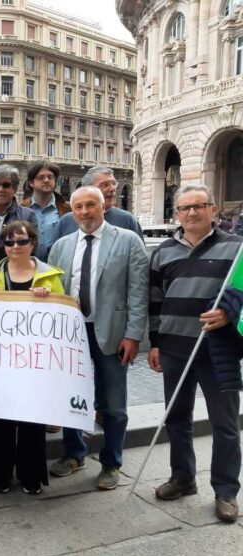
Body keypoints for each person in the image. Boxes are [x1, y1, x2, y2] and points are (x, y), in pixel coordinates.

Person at [148, 184, 242, 522]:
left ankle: (226, 490)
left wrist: (229, 312)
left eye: (199, 206)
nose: (192, 213)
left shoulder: (237, 249)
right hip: (173, 349)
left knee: (226, 424)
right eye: (185, 208)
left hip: (218, 351)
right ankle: (183, 478)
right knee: (177, 418)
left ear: (213, 209)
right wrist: (155, 342)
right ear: (176, 214)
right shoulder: (162, 252)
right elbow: (155, 301)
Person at [47, 186, 148, 490]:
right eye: (78, 207)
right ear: (72, 211)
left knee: (113, 402)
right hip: (71, 335)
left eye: (91, 205)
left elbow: (138, 292)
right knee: (70, 397)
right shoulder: (61, 246)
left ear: (103, 207)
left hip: (113, 333)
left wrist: (133, 335)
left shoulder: (128, 241)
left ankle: (111, 463)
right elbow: (53, 289)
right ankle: (74, 452)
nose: (84, 212)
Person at [0, 221, 64, 494]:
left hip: (34, 360)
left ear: (33, 243)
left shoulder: (50, 276)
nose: (15, 247)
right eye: (9, 242)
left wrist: (47, 299)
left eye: (21, 241)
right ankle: (0, 473)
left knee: (31, 419)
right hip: (1, 360)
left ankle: (31, 474)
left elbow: (63, 316)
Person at [52, 167, 142, 242]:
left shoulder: (128, 220)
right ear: (87, 188)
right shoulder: (66, 222)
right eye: (105, 185)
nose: (112, 189)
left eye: (114, 184)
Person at [22, 161, 70, 260]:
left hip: (58, 267)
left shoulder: (68, 208)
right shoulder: (22, 209)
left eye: (50, 177)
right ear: (31, 182)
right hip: (29, 267)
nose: (46, 180)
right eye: (41, 177)